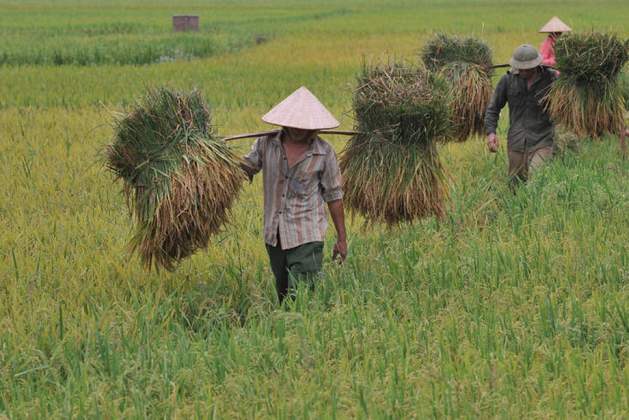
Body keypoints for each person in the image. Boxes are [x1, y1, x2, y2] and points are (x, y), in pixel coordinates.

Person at [241, 86, 348, 304]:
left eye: (304, 125)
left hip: (307, 235)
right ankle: (285, 332)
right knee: (283, 296)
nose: (298, 129)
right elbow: (244, 168)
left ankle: (302, 334)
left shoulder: (324, 153)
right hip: (274, 235)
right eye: (294, 124)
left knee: (302, 299)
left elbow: (334, 196)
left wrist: (342, 238)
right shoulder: (266, 144)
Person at [485, 44, 558, 186]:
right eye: (520, 68)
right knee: (515, 184)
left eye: (527, 68)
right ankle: (516, 208)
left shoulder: (550, 79)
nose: (522, 71)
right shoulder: (507, 80)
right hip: (516, 142)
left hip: (542, 139)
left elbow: (567, 102)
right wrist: (491, 133)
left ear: (536, 65)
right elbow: (493, 109)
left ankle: (537, 208)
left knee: (537, 181)